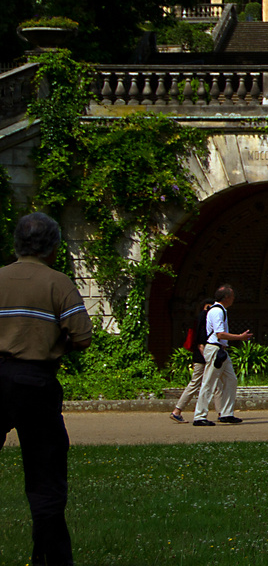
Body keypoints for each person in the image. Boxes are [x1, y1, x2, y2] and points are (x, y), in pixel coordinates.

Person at [0, 212, 93, 565]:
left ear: (16, 244)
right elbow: (82, 336)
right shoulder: (58, 284)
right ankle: (50, 558)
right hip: (34, 380)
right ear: (53, 248)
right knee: (44, 474)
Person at [193, 285, 252, 427]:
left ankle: (226, 413)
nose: (233, 299)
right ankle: (200, 416)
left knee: (231, 380)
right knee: (209, 382)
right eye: (231, 296)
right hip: (215, 349)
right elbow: (219, 334)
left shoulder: (219, 310)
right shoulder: (217, 311)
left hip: (220, 350)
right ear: (226, 297)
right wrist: (240, 337)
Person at [169, 299, 210, 423]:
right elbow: (200, 343)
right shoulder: (202, 321)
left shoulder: (199, 320)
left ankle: (222, 413)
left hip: (200, 356)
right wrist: (207, 358)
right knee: (195, 383)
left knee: (213, 384)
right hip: (202, 357)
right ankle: (177, 410)